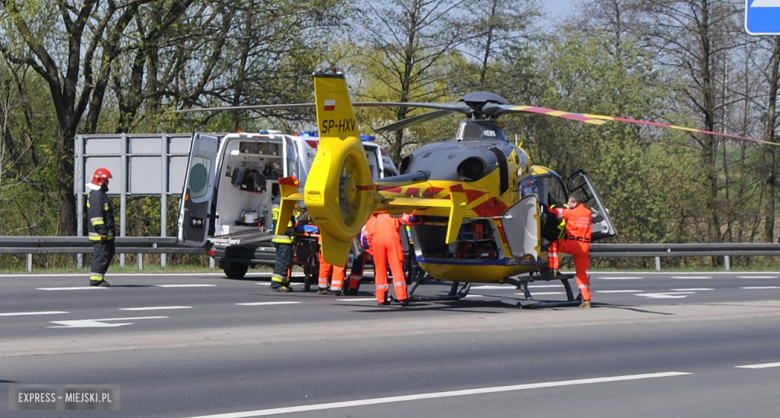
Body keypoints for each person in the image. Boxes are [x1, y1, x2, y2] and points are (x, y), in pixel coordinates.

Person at [542, 190, 593, 308]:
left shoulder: (570, 213)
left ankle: (552, 268)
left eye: (569, 202)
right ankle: (586, 300)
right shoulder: (588, 213)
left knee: (554, 243)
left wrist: (542, 206)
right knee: (581, 274)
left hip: (573, 243)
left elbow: (553, 213)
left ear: (575, 202)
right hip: (584, 247)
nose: (567, 204)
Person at [369, 212, 410, 306]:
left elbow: (365, 240)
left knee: (380, 271)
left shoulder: (373, 217)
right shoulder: (393, 212)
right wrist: (419, 217)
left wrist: (373, 252)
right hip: (392, 238)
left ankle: (381, 298)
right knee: (397, 269)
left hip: (377, 241)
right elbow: (408, 219)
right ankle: (402, 297)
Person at [86, 168, 116, 287]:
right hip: (100, 235)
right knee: (101, 255)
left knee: (106, 254)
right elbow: (96, 217)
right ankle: (96, 279)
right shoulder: (97, 195)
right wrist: (102, 232)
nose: (108, 183)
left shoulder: (99, 194)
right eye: (107, 180)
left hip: (105, 234)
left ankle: (99, 277)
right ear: (101, 181)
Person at [270, 196, 297, 292]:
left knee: (282, 261)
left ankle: (283, 282)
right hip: (285, 237)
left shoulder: (276, 200)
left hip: (278, 235)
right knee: (283, 261)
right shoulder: (285, 201)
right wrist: (292, 233)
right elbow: (287, 221)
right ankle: (276, 284)